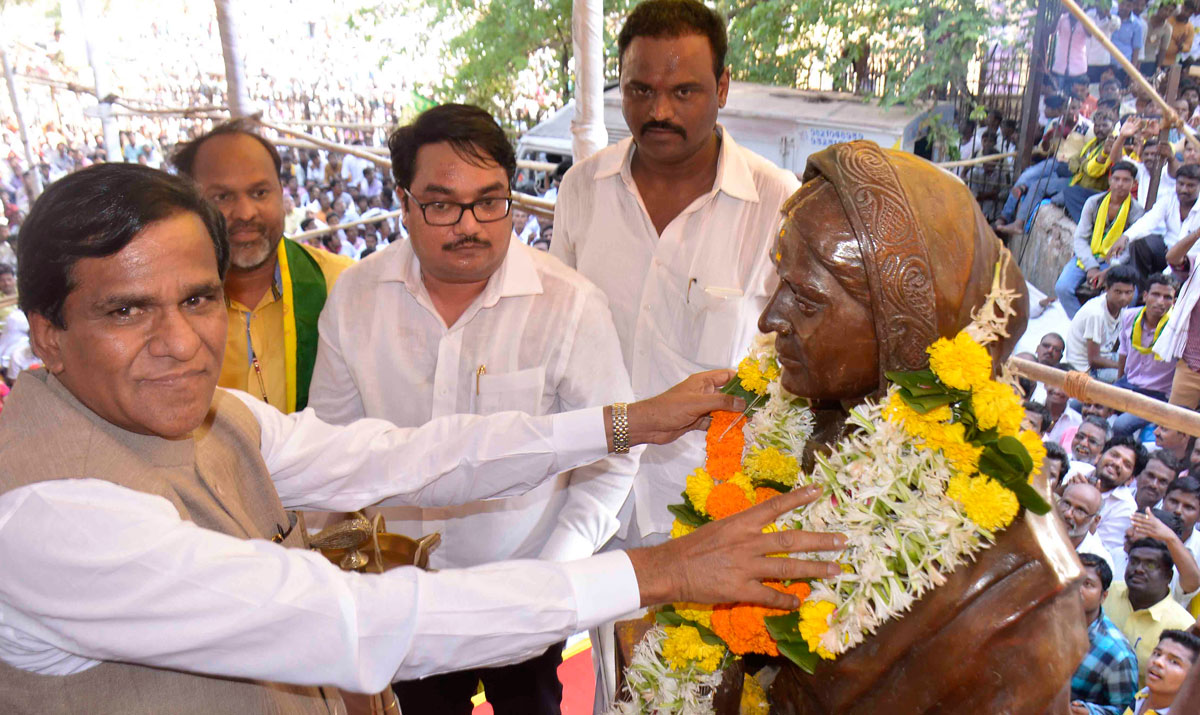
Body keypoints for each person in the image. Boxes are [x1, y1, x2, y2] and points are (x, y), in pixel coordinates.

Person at [0, 163, 846, 713]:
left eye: (196, 299)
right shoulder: (52, 517)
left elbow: (400, 455)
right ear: (45, 333)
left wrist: (625, 422)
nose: (181, 342)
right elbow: (363, 619)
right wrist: (661, 570)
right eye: (126, 310)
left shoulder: (222, 415)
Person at [308, 104, 640, 714]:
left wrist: (551, 576)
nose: (470, 225)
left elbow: (615, 455)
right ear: (404, 203)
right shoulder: (356, 299)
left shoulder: (568, 306)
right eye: (442, 205)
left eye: (491, 201)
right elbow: (327, 453)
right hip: (403, 597)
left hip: (523, 592)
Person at [550, 4, 803, 705]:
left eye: (683, 91)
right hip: (596, 494)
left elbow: (790, 367)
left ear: (723, 87)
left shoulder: (777, 204)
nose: (658, 111)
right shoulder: (583, 191)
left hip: (711, 507)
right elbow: (554, 343)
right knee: (613, 682)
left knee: (709, 691)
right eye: (639, 91)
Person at [172, 120, 355, 414]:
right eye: (222, 197)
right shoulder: (163, 304)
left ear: (282, 193)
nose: (245, 213)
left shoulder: (343, 285)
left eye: (259, 193)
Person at [1056, 160, 1144, 318]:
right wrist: (1091, 266)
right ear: (1110, 180)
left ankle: (1114, 329)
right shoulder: (1094, 202)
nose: (1120, 184)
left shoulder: (1136, 211)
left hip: (1115, 262)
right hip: (1088, 256)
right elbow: (1080, 238)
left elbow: (1130, 248)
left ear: (1134, 183)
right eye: (1116, 179)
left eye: (1126, 180)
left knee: (1131, 296)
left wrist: (1109, 271)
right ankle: (1079, 323)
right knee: (1062, 287)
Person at [1106, 538, 1196, 686]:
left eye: (1150, 564)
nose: (1138, 569)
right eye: (1134, 561)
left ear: (1169, 576)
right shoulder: (1107, 593)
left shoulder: (1183, 625)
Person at [1070, 553, 1140, 715]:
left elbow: (1126, 711)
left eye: (1087, 584)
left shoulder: (1118, 653)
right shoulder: (1045, 625)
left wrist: (1089, 712)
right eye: (1073, 581)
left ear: (1104, 596)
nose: (1077, 590)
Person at [1114, 274, 1180, 437]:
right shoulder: (1130, 316)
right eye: (1156, 294)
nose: (1160, 301)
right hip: (1127, 384)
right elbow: (1123, 351)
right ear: (1145, 296)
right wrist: (1117, 383)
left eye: (1167, 297)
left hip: (1156, 395)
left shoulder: (1178, 329)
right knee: (1079, 404)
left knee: (1121, 426)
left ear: (1175, 302)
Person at [1116, 159, 1200, 281]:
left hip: (1190, 261)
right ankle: (1139, 289)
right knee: (1139, 244)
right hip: (1166, 250)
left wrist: (1172, 267)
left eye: (1190, 186)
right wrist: (1125, 237)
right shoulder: (1169, 199)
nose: (1184, 189)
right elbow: (1149, 220)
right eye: (1181, 184)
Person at [1064, 264, 1141, 382]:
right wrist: (1122, 366)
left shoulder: (1122, 308)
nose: (1123, 298)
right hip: (1085, 369)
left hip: (1105, 357)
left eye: (1128, 292)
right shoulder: (1096, 313)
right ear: (1107, 289)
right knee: (1133, 379)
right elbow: (1094, 360)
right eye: (1118, 292)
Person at [1123, 630, 1200, 713]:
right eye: (1157, 654)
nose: (1158, 661)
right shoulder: (1141, 695)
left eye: (1174, 661)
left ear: (1192, 677)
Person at [1060, 482, 1118, 571]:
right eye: (1066, 504)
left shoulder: (1099, 559)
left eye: (1080, 510)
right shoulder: (1036, 532)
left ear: (1095, 520)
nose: (1068, 513)